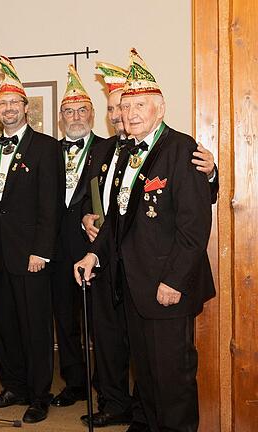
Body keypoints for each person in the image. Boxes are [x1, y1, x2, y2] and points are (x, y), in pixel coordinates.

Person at [74, 49, 215, 432]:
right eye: (126, 105)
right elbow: (119, 223)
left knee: (173, 381)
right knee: (148, 378)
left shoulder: (182, 150)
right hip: (133, 288)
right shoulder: (126, 154)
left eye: (141, 105)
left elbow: (195, 226)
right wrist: (94, 256)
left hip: (167, 287)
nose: (131, 113)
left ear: (160, 108)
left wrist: (174, 281)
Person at [0, 56, 63, 424]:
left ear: (26, 108)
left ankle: (39, 394)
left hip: (31, 257)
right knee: (4, 326)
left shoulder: (46, 147)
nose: (8, 109)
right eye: (2, 103)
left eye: (14, 103)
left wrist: (41, 250)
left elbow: (51, 205)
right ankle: (13, 386)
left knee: (35, 327)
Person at [50, 65, 107, 410]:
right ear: (60, 117)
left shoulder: (107, 148)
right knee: (65, 319)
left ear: (92, 114)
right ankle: (75, 383)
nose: (75, 116)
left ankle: (104, 382)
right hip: (57, 248)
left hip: (94, 248)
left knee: (99, 320)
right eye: (69, 111)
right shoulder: (48, 151)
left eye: (81, 110)